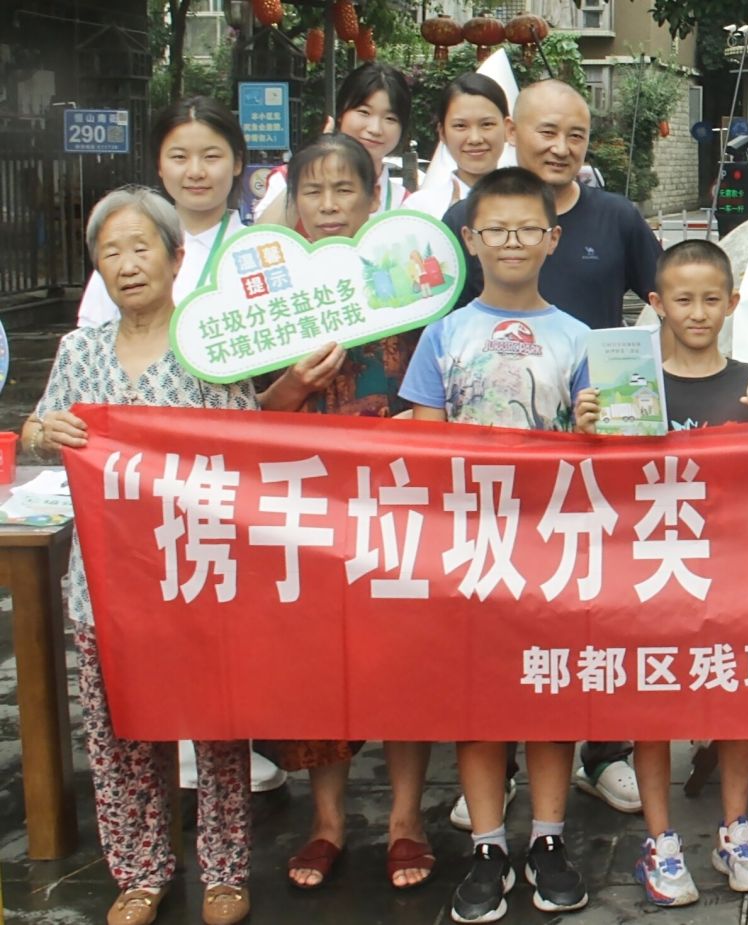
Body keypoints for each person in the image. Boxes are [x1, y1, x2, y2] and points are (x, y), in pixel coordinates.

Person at [31, 186, 265, 925]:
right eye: (111, 252)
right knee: (120, 732)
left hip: (197, 572)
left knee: (216, 727)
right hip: (105, 583)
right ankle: (139, 872)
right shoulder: (79, 351)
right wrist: (43, 432)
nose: (128, 265)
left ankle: (224, 871)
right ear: (97, 267)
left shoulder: (209, 348)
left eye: (141, 248)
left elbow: (249, 450)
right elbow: (40, 427)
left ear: (175, 256)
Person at [66, 96, 291, 795]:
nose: (196, 170)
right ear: (159, 165)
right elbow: (81, 389)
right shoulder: (118, 253)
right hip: (127, 513)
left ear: (238, 164)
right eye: (179, 155)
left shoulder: (262, 251)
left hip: (218, 495)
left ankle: (226, 757)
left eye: (212, 155)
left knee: (220, 641)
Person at [571, 240, 748, 905]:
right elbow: (603, 487)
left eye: (711, 299)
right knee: (653, 705)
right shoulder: (628, 386)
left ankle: (736, 830)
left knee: (737, 703)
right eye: (683, 299)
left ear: (733, 303)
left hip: (734, 575)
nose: (698, 312)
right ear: (656, 304)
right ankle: (660, 840)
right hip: (651, 573)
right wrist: (587, 433)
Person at [401, 167, 594, 922]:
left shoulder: (579, 338)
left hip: (553, 547)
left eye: (527, 229)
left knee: (549, 691)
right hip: (468, 549)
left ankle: (547, 837)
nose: (512, 242)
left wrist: (595, 426)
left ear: (552, 239)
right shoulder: (443, 334)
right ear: (470, 239)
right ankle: (487, 844)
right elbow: (424, 447)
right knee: (476, 698)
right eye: (496, 230)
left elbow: (601, 448)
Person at [249, 133, 434, 893]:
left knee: (403, 663)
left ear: (373, 199)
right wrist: (292, 386)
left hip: (395, 507)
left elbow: (435, 392)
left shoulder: (410, 285)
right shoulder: (267, 299)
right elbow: (242, 418)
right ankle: (327, 821)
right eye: (313, 192)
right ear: (294, 203)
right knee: (317, 666)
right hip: (303, 509)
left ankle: (405, 819)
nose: (328, 206)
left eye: (344, 190)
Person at [443, 79, 660, 332]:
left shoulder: (617, 217)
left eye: (576, 136)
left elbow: (678, 302)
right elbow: (440, 325)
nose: (561, 149)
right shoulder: (467, 219)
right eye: (547, 132)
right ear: (511, 131)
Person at [253, 61, 410, 225]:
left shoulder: (403, 203)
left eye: (390, 118)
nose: (375, 129)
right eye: (364, 112)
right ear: (341, 113)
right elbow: (263, 237)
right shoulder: (287, 178)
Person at [404, 73, 510, 219]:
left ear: (508, 128)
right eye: (460, 126)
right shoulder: (420, 210)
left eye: (487, 124)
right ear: (442, 133)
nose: (475, 139)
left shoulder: (532, 204)